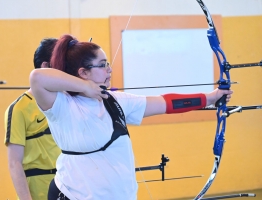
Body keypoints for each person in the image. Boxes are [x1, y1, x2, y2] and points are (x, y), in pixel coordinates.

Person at [29, 34, 233, 200]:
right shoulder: (62, 105)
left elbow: (166, 103)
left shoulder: (115, 100)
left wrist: (210, 98)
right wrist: (86, 88)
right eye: (102, 65)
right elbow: (37, 77)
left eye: (108, 63)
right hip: (72, 195)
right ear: (83, 72)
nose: (109, 69)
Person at [4, 38, 61, 200]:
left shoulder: (67, 102)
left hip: (69, 187)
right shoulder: (19, 108)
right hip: (39, 190)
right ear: (45, 67)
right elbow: (14, 163)